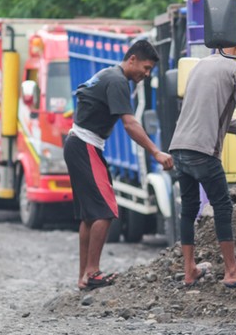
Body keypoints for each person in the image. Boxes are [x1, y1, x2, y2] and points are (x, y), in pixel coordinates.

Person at [64, 39, 173, 291]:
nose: (146, 74)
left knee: (90, 215)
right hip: (85, 145)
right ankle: (92, 273)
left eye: (149, 71)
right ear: (131, 59)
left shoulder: (108, 74)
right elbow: (130, 124)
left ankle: (83, 276)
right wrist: (155, 151)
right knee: (105, 210)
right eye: (145, 68)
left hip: (79, 143)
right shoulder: (117, 81)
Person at [169, 47, 236, 290]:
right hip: (203, 151)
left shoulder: (200, 65)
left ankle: (190, 269)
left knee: (189, 208)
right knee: (223, 205)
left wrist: (234, 126)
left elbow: (209, 114)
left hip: (179, 147)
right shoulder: (234, 68)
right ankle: (232, 270)